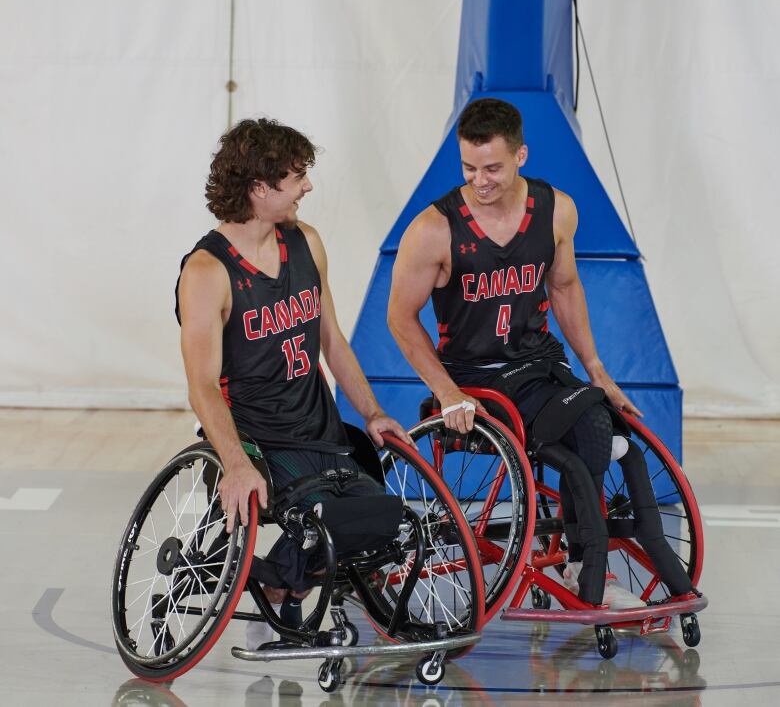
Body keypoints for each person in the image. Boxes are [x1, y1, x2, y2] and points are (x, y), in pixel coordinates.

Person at [387, 97, 693, 608]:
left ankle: (581, 562)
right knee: (589, 432)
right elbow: (399, 318)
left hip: (538, 365)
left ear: (521, 156)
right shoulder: (434, 229)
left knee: (602, 422)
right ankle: (582, 564)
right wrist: (447, 392)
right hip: (475, 375)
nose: (480, 180)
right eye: (468, 168)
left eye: (492, 168)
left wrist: (597, 371)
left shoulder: (556, 210)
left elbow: (567, 288)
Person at [175, 117, 411, 647]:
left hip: (318, 426)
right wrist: (235, 464)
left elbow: (332, 340)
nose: (307, 185)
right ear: (260, 189)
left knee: (382, 516)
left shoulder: (307, 242)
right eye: (296, 176)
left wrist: (371, 411)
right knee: (327, 524)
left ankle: (284, 579)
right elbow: (202, 385)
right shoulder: (207, 272)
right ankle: (272, 578)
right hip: (259, 437)